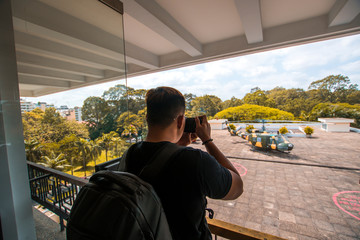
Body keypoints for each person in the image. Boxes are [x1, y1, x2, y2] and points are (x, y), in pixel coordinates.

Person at [123, 86, 243, 240]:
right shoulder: (195, 160)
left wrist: (178, 147)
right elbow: (237, 188)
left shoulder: (129, 154)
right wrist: (207, 140)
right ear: (181, 120)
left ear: (147, 118)